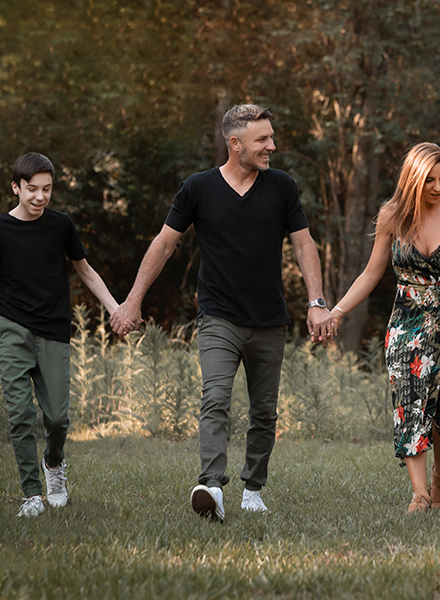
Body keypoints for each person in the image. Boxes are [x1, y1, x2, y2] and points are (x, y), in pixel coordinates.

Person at [111, 104, 332, 523]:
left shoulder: (281, 186)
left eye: (270, 137)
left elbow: (304, 245)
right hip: (219, 317)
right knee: (214, 398)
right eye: (262, 140)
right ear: (235, 144)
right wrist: (133, 299)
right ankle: (212, 486)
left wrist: (317, 301)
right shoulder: (198, 188)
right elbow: (163, 244)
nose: (272, 146)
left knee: (265, 411)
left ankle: (253, 489)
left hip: (269, 318)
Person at [330, 142, 440, 513]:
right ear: (412, 180)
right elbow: (372, 273)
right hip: (407, 321)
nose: (438, 187)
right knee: (410, 400)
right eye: (429, 180)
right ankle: (419, 493)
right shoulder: (392, 215)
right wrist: (337, 312)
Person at [0, 152, 120, 518]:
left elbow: (84, 271)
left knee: (56, 419)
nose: (39, 197)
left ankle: (54, 465)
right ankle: (32, 495)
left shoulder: (61, 225)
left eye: (47, 189)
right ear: (16, 187)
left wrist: (115, 308)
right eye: (32, 189)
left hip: (53, 330)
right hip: (13, 329)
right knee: (20, 415)